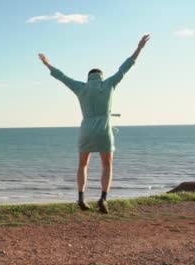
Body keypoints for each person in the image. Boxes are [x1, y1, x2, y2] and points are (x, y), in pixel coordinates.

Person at [39, 34, 150, 214]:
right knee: (107, 165)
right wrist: (139, 48)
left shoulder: (80, 87)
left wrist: (47, 63)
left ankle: (81, 198)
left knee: (83, 165)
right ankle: (103, 199)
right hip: (104, 130)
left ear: (88, 77)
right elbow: (125, 67)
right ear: (100, 76)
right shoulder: (108, 84)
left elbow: (61, 76)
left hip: (87, 130)